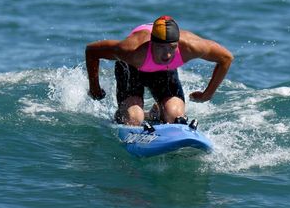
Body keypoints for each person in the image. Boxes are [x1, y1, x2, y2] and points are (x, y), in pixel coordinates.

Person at [85, 16, 233, 126]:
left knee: (175, 117)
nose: (167, 54)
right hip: (131, 69)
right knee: (133, 119)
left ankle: (154, 114)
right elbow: (92, 51)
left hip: (164, 71)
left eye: (172, 47)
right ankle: (123, 115)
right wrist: (94, 88)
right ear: (151, 43)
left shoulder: (190, 47)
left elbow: (226, 58)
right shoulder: (131, 50)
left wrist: (208, 94)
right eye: (161, 47)